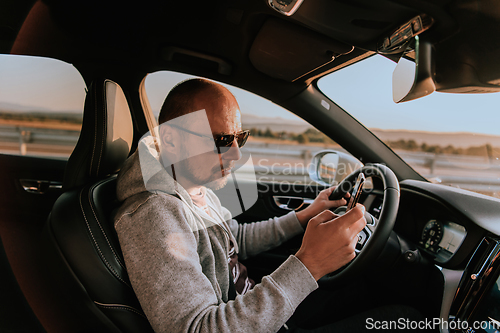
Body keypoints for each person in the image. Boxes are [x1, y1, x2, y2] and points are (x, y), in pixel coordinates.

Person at [113, 78, 409, 332]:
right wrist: (310, 263)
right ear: (172, 139)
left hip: (258, 309)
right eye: (222, 140)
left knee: (373, 289)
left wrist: (305, 215)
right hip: (254, 321)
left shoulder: (191, 185)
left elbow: (234, 239)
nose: (236, 155)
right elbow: (198, 328)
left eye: (240, 138)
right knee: (404, 320)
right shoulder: (152, 215)